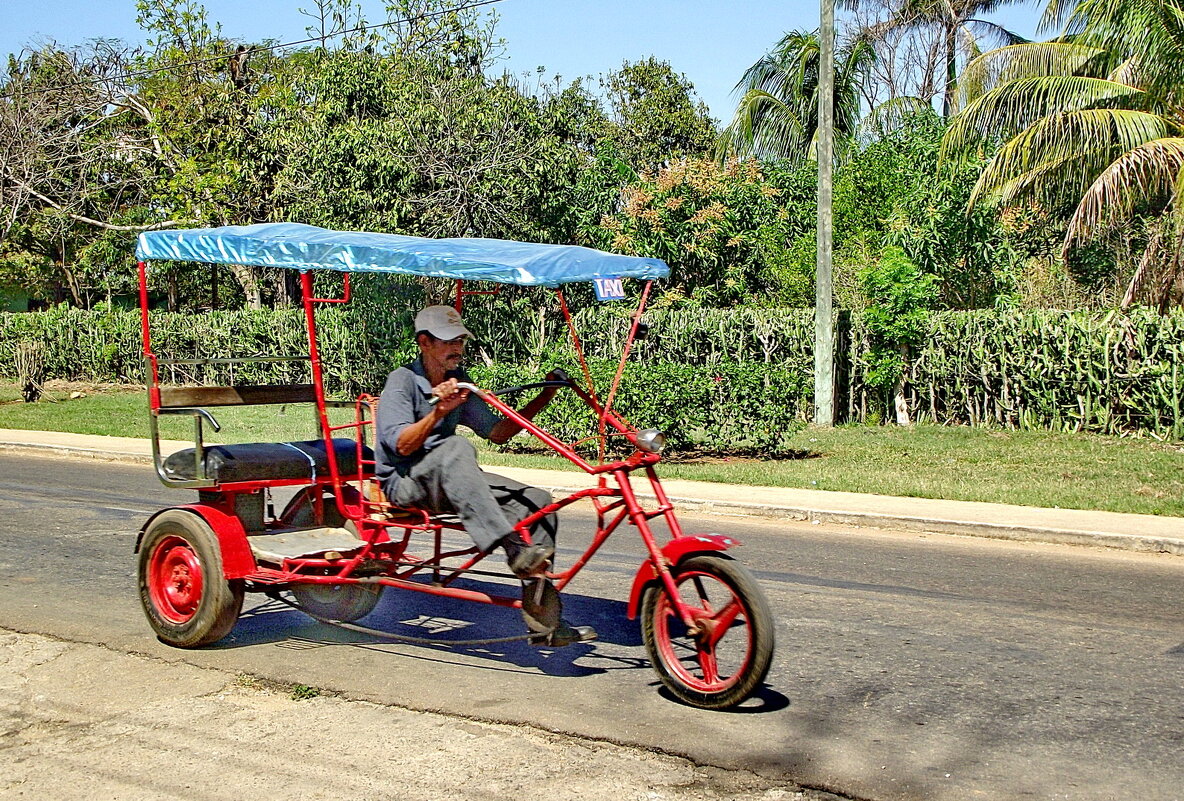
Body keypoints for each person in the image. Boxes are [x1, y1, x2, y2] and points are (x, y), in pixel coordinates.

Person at [374, 305, 596, 647]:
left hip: (448, 479)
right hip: (405, 482)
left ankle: (543, 619)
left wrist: (546, 394)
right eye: (448, 341)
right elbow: (401, 447)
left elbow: (498, 432)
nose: (457, 348)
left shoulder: (460, 384)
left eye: (460, 340)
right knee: (457, 447)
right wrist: (439, 414)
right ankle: (513, 551)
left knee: (538, 501)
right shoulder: (402, 380)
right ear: (424, 343)